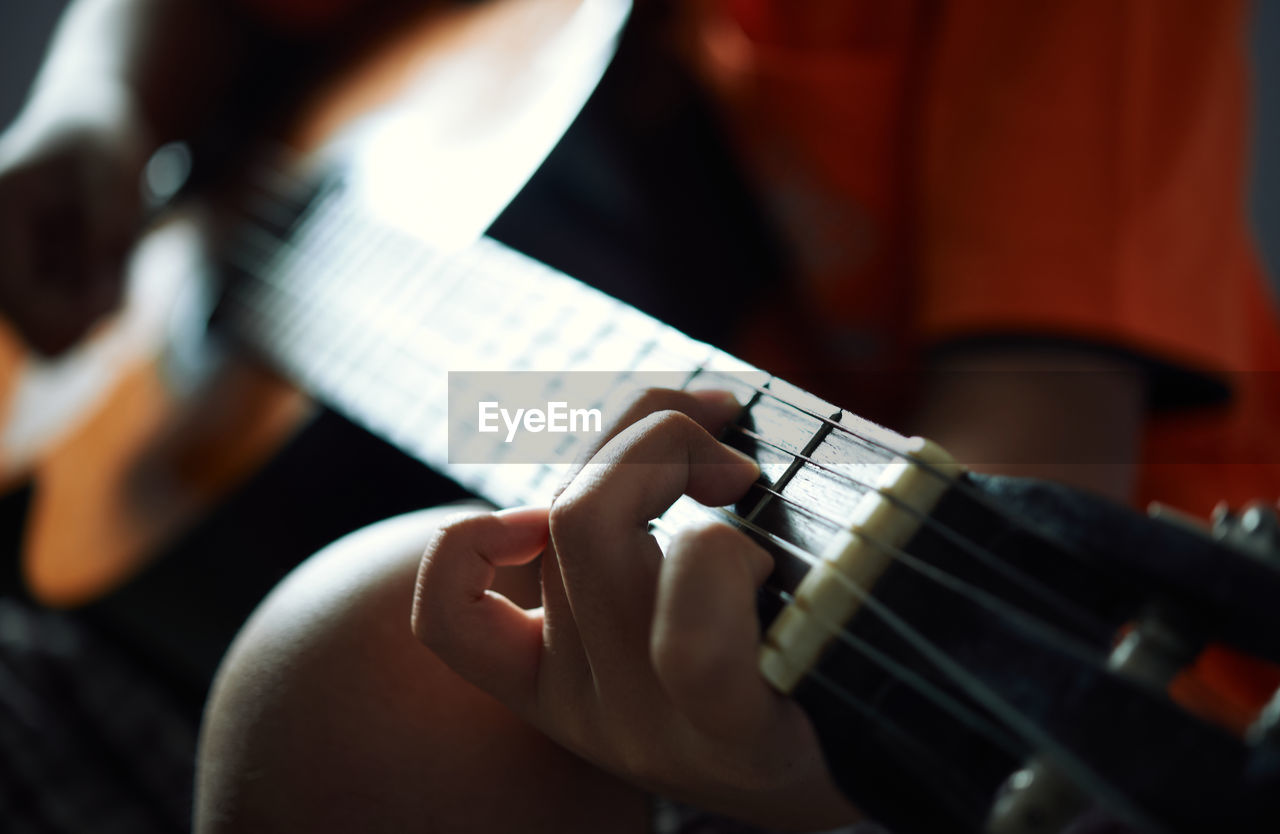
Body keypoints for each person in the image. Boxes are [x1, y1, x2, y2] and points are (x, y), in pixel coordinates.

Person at [0, 0, 1275, 831]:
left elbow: (1038, 430)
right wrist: (96, 103)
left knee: (355, 658)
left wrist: (802, 793)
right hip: (548, 452)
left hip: (1017, 653)